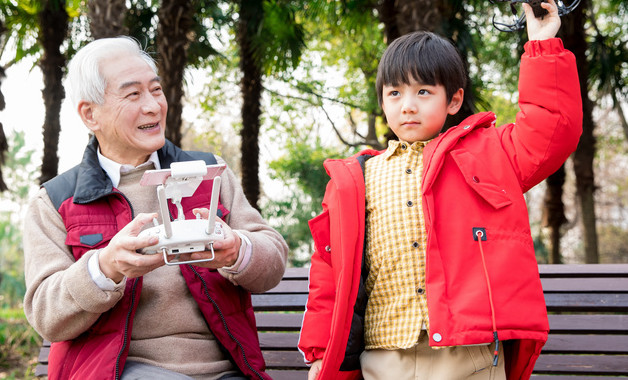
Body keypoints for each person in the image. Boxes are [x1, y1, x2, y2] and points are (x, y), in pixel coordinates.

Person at [298, 1, 582, 379]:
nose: (408, 106)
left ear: (454, 100)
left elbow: (552, 129)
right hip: (383, 357)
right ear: (382, 100)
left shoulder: (489, 153)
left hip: (468, 355)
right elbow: (330, 273)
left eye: (424, 92)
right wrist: (321, 351)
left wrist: (542, 47)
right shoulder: (356, 178)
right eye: (395, 93)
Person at [23, 36, 289, 380]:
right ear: (90, 114)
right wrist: (106, 266)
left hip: (228, 370)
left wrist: (236, 250)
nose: (152, 106)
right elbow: (46, 314)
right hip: (124, 372)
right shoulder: (56, 201)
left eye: (156, 90)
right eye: (133, 94)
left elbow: (273, 259)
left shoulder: (210, 173)